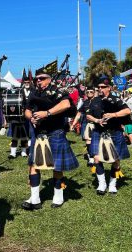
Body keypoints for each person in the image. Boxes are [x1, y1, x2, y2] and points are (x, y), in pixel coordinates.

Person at [22, 67, 79, 210]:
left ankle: (58, 196)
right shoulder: (34, 92)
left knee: (56, 166)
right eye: (37, 79)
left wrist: (46, 113)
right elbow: (27, 110)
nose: (38, 81)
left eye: (42, 78)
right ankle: (35, 199)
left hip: (55, 132)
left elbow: (66, 104)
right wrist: (32, 118)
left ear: (49, 78)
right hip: (39, 133)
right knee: (34, 164)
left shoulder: (57, 90)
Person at [86, 76, 131, 195]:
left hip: (115, 132)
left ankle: (112, 184)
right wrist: (97, 120)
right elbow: (88, 116)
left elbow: (127, 111)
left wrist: (113, 114)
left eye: (103, 87)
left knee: (115, 160)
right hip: (98, 132)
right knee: (96, 158)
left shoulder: (116, 100)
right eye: (99, 87)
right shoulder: (95, 101)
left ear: (109, 88)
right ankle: (102, 184)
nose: (100, 89)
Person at [71, 86, 97, 166]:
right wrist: (73, 124)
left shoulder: (99, 101)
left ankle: (98, 156)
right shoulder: (85, 103)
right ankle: (91, 159)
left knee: (97, 141)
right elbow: (79, 114)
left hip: (97, 124)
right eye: (88, 92)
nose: (89, 93)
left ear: (94, 92)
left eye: (91, 92)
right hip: (88, 124)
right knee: (88, 141)